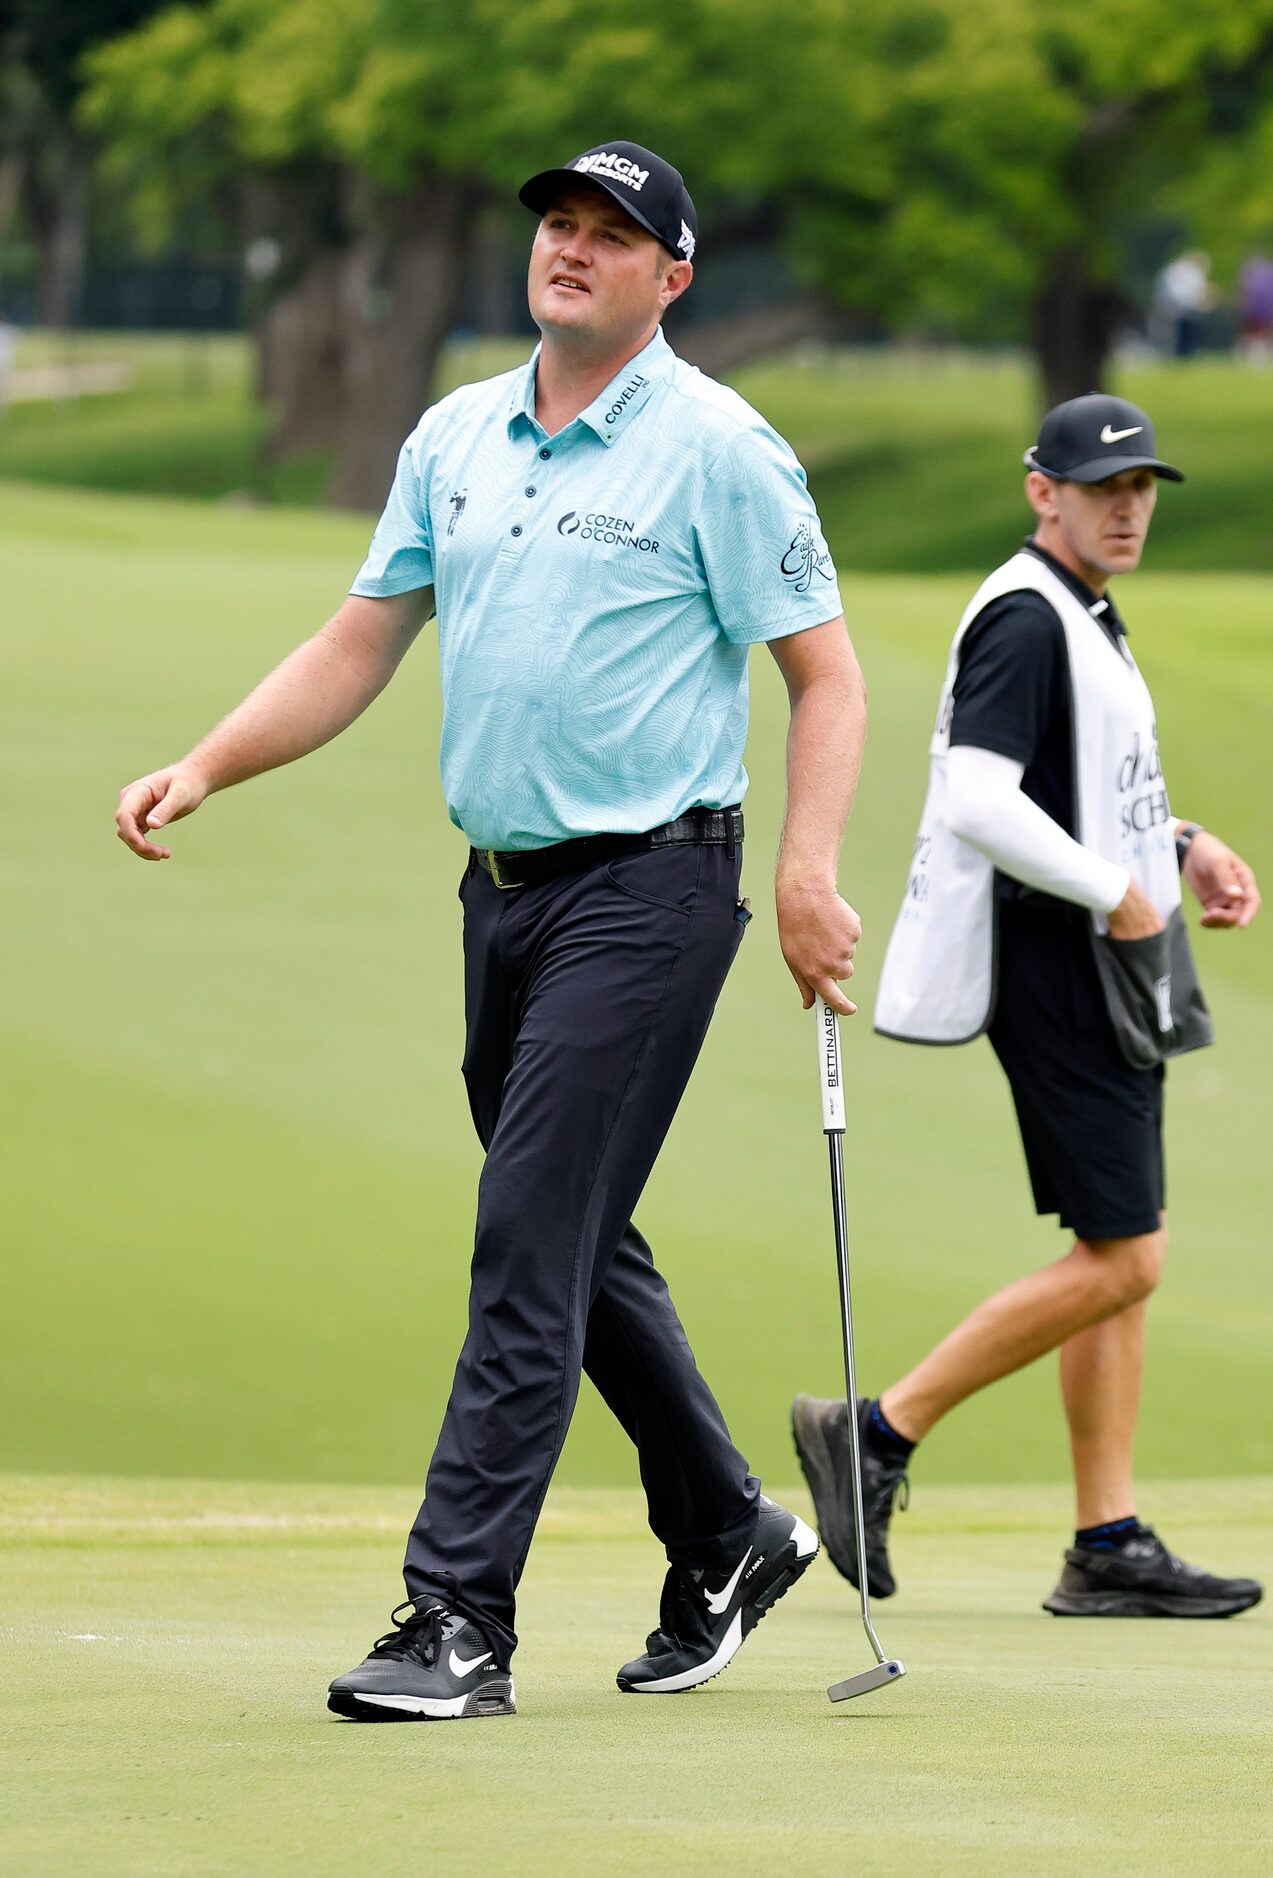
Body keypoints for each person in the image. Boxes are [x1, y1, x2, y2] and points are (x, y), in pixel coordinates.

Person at [116, 141, 867, 1718]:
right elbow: (357, 637)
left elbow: (826, 672)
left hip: (653, 888)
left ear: (672, 279)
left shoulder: (721, 450)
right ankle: (728, 1530)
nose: (570, 249)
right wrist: (206, 760)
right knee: (575, 1240)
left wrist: (805, 872)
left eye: (612, 236)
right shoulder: (456, 434)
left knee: (526, 1242)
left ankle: (457, 1617)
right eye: (557, 225)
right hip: (504, 895)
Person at [793, 394, 1265, 1621]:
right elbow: (977, 797)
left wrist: (1182, 840)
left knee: (1119, 1254)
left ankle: (1104, 1540)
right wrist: (1118, 889)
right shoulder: (1023, 614)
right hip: (1058, 963)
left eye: (1140, 487)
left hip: (1106, 953)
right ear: (1038, 489)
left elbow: (1083, 787)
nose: (1126, 508)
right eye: (1101, 487)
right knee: (1127, 1256)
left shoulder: (1082, 612)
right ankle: (875, 1432)